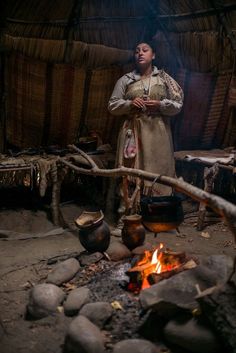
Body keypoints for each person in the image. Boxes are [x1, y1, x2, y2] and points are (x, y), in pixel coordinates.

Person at [108, 42, 184, 236]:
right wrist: (130, 103)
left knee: (161, 174)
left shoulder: (165, 79)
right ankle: (126, 219)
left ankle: (163, 219)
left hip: (158, 134)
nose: (140, 53)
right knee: (130, 174)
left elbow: (177, 105)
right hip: (133, 133)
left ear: (154, 55)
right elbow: (112, 105)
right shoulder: (125, 80)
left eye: (144, 50)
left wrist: (160, 104)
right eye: (136, 51)